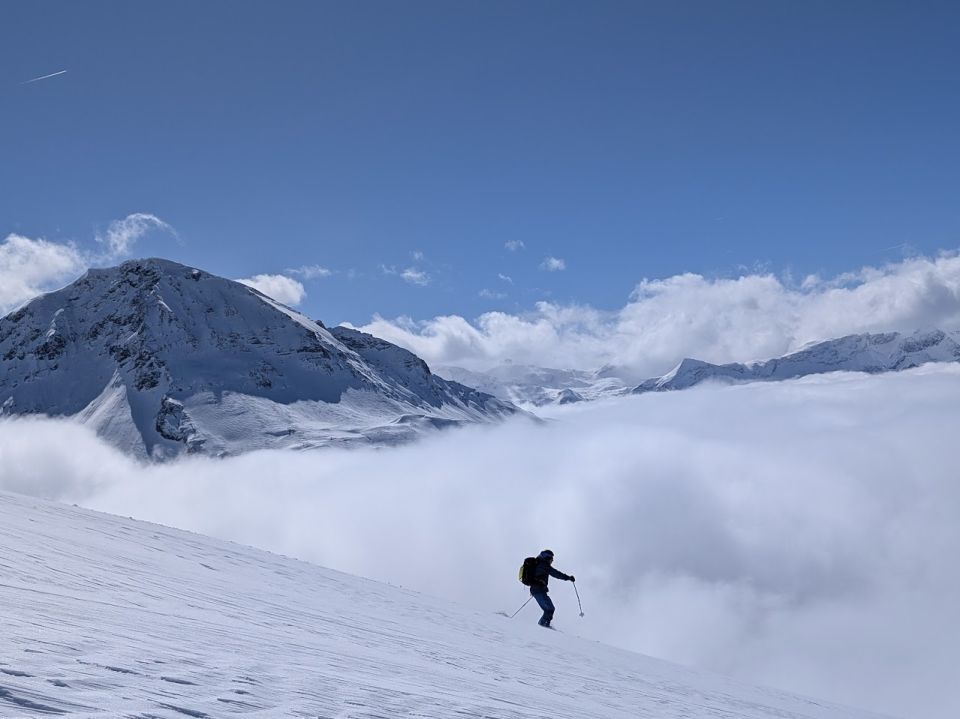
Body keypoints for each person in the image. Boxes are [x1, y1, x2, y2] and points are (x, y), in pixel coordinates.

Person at [528, 549, 575, 627]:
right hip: (538, 590)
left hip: (537, 590)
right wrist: (568, 578)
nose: (552, 560)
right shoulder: (544, 566)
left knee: (549, 609)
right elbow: (556, 574)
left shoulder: (539, 564)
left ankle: (544, 625)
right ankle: (543, 626)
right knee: (549, 609)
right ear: (546, 558)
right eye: (551, 558)